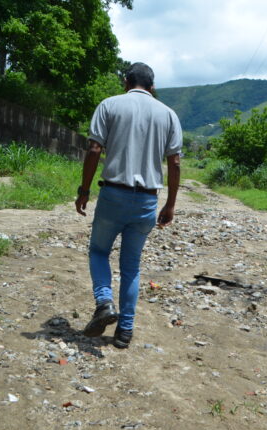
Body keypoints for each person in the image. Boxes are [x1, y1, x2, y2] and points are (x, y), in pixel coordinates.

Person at [75, 62, 182, 348]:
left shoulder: (109, 105)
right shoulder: (169, 115)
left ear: (125, 82)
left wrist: (84, 190)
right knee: (131, 266)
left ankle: (104, 302)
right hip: (147, 200)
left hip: (113, 194)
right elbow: (174, 163)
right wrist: (170, 205)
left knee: (99, 251)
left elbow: (94, 149)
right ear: (153, 86)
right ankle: (124, 332)